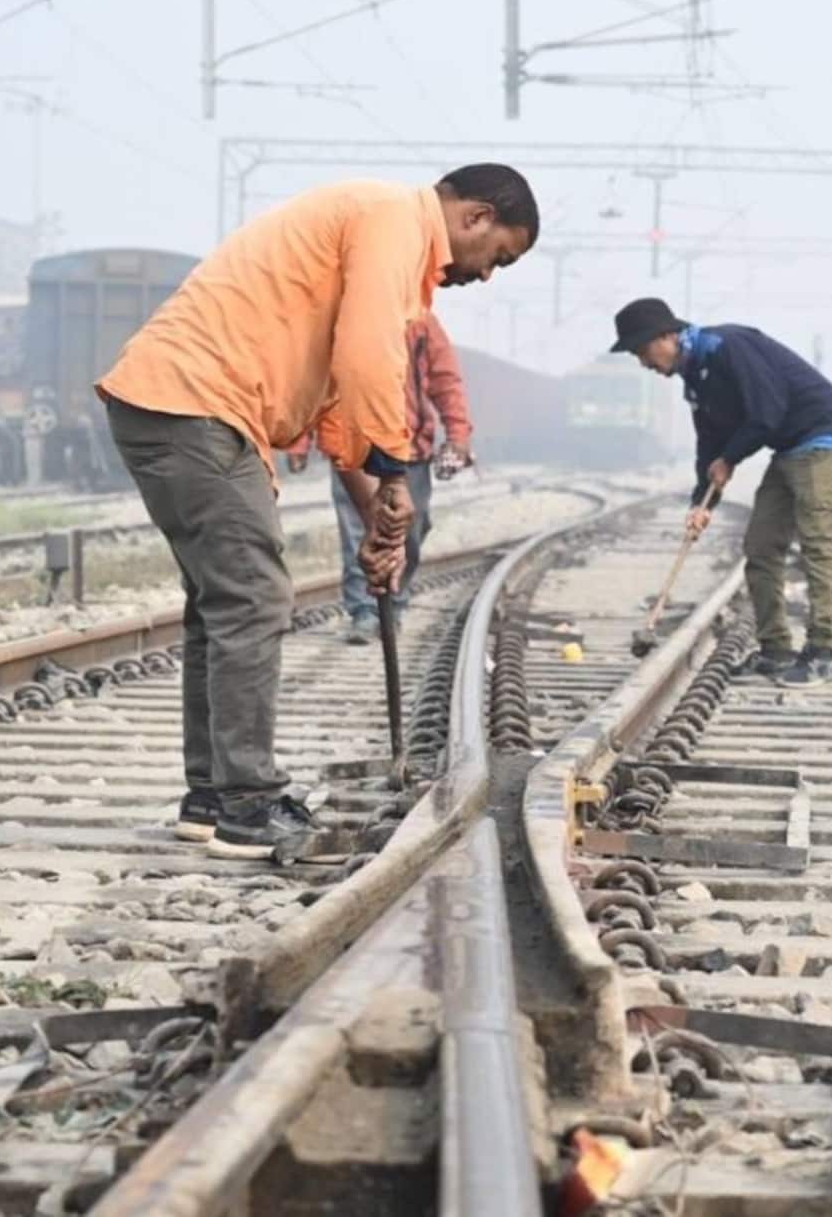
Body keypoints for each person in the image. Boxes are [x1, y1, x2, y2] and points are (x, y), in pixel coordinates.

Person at [97, 165, 537, 860]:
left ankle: (212, 797)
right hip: (197, 403)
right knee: (253, 595)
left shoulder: (376, 233)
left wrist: (374, 515)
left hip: (176, 401)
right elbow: (368, 359)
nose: (486, 276)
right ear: (476, 217)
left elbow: (336, 409)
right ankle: (249, 805)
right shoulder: (394, 219)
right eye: (499, 258)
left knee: (222, 603)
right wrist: (395, 465)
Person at [614, 297, 832, 687]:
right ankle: (776, 651)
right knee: (760, 546)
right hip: (790, 447)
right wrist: (701, 502)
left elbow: (767, 412)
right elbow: (709, 444)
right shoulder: (694, 379)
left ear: (667, 336)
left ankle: (822, 654)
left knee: (816, 544)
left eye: (643, 351)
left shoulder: (728, 347)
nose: (644, 363)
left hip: (826, 439)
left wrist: (729, 459)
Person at [286, 312, 473, 643]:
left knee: (410, 532)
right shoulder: (340, 317)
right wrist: (299, 440)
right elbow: (315, 382)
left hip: (409, 449)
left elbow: (445, 380)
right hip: (352, 446)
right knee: (357, 530)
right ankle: (364, 611)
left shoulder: (421, 322)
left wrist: (458, 435)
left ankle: (395, 604)